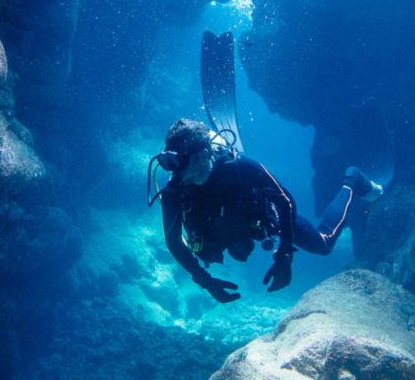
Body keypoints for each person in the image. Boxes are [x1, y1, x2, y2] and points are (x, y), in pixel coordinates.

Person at [147, 118, 384, 303]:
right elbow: (174, 241)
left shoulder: (239, 167)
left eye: (179, 162)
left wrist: (285, 255)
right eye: (169, 163)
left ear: (200, 155)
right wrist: (205, 280)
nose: (174, 171)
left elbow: (286, 201)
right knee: (210, 250)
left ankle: (352, 181)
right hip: (222, 230)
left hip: (262, 217)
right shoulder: (175, 191)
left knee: (323, 244)